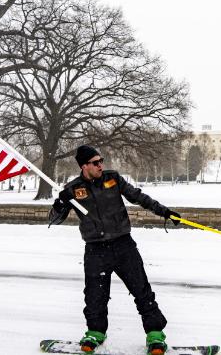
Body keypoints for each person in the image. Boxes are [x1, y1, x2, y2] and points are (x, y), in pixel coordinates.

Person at [48, 145, 181, 355]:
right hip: (95, 250)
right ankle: (95, 333)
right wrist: (60, 203)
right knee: (95, 296)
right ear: (84, 166)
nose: (100, 165)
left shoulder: (113, 179)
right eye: (95, 162)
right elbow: (54, 220)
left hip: (123, 246)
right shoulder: (73, 189)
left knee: (142, 291)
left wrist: (164, 212)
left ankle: (155, 335)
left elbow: (138, 197)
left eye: (101, 161)